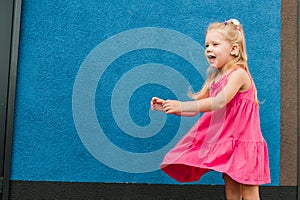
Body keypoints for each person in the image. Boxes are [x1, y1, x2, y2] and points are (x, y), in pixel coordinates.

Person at [150, 19, 270, 200]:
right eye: (206, 45)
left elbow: (218, 102)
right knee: (231, 189)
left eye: (215, 44)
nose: (208, 49)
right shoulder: (215, 78)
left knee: (249, 191)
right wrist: (169, 106)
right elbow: (199, 107)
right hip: (230, 143)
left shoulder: (238, 74)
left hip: (246, 142)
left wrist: (182, 105)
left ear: (234, 49)